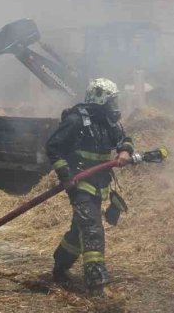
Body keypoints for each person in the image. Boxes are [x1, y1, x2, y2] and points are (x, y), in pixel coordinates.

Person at [47, 78, 134, 295]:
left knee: (78, 231)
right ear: (101, 99)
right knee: (92, 230)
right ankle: (97, 284)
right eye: (112, 101)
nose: (115, 105)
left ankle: (60, 266)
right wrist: (66, 174)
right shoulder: (76, 120)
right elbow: (53, 147)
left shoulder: (108, 122)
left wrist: (125, 151)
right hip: (80, 184)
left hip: (99, 185)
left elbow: (125, 139)